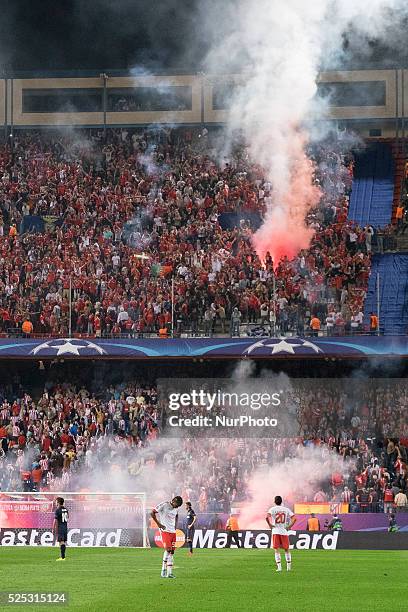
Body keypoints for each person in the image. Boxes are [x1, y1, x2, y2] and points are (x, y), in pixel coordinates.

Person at [151, 496, 183, 578]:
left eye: (178, 506)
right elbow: (152, 512)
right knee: (168, 550)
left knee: (172, 552)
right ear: (173, 501)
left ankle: (170, 573)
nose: (177, 507)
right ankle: (163, 570)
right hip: (165, 531)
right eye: (177, 505)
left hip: (173, 532)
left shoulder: (176, 509)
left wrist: (175, 526)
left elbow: (176, 516)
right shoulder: (164, 505)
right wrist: (159, 524)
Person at [266, 495, 296, 572]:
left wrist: (270, 525)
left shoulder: (272, 509)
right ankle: (288, 567)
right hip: (284, 531)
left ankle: (279, 568)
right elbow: (294, 518)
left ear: (274, 501)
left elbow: (267, 517)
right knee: (287, 549)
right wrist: (289, 526)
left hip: (275, 531)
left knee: (276, 549)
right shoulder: (286, 509)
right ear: (281, 501)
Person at [53, 496, 69, 561]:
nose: (55, 503)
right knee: (63, 542)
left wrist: (53, 528)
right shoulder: (66, 509)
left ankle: (62, 557)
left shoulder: (57, 510)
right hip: (65, 527)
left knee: (61, 542)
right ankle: (63, 556)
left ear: (58, 502)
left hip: (60, 527)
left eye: (56, 502)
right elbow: (68, 517)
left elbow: (55, 520)